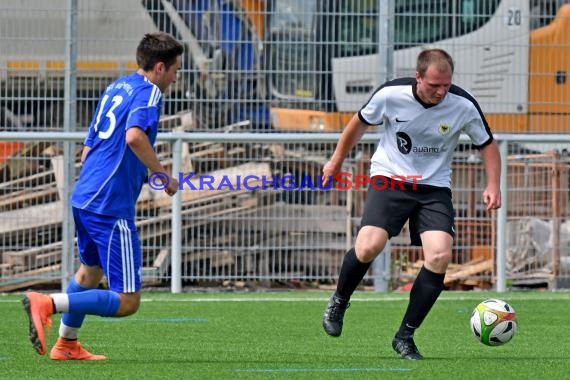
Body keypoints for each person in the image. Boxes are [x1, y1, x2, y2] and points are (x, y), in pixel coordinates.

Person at [321, 48, 501, 360]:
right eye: (434, 85)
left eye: (446, 85)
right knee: (367, 247)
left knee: (440, 255)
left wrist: (493, 184)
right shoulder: (390, 95)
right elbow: (358, 124)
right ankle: (339, 299)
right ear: (418, 77)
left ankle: (405, 336)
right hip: (389, 179)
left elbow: (487, 144)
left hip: (433, 188)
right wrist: (336, 161)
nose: (441, 91)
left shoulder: (463, 104)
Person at [22, 32, 183, 360]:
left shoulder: (116, 87)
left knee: (89, 273)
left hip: (85, 195)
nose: (177, 77)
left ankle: (66, 344)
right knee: (127, 302)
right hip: (109, 205)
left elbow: (88, 148)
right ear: (160, 67)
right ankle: (47, 304)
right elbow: (135, 136)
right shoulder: (149, 92)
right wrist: (162, 174)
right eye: (176, 70)